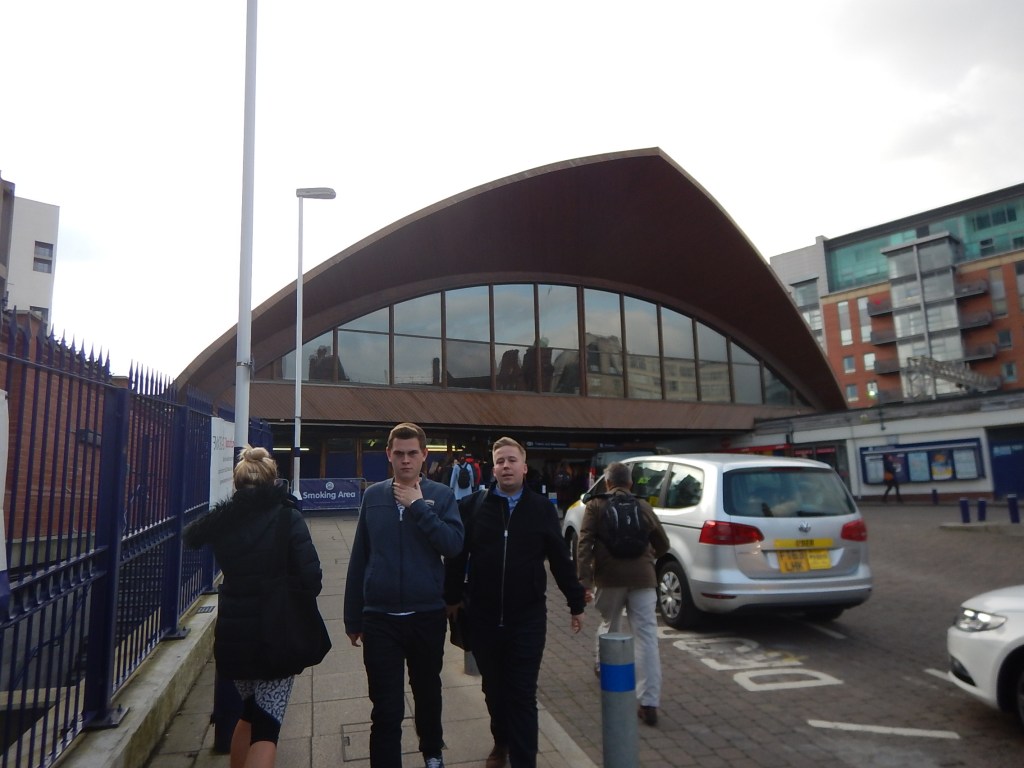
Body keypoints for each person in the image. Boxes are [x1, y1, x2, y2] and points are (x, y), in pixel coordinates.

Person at [444, 437, 590, 768]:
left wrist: (576, 603)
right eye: (500, 461)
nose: (506, 466)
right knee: (494, 691)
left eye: (512, 460)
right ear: (493, 469)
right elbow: (456, 556)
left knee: (522, 694)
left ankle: (524, 761)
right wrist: (451, 598)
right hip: (483, 618)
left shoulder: (541, 509)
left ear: (524, 467)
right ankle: (502, 741)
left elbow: (560, 559)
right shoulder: (473, 507)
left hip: (527, 619)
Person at [183, 445, 324, 768]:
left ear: (236, 484)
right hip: (275, 637)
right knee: (267, 729)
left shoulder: (222, 525)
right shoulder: (287, 518)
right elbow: (311, 579)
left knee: (247, 714)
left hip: (234, 636)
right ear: (273, 481)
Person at [343, 422, 464, 768]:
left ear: (424, 455)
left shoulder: (441, 496)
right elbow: (360, 556)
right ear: (389, 455)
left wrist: (418, 506)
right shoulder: (373, 496)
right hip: (380, 618)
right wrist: (352, 616)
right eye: (399, 453)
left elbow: (453, 546)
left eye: (413, 453)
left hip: (426, 615)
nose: (406, 460)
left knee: (428, 694)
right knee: (386, 706)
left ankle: (432, 753)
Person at [577, 461, 670, 726]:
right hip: (644, 578)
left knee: (610, 622)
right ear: (630, 483)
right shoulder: (643, 505)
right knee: (646, 637)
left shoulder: (596, 505)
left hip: (609, 577)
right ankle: (649, 702)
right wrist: (647, 559)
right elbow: (663, 543)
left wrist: (584, 582)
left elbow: (584, 544)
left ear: (607, 483)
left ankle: (604, 668)